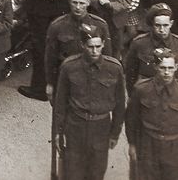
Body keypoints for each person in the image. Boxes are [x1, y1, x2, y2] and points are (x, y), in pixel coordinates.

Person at [52, 27, 126, 180]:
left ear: (104, 44)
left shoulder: (114, 68)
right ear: (82, 45)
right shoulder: (69, 66)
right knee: (72, 171)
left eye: (98, 46)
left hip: (101, 127)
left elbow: (120, 105)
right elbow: (60, 103)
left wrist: (115, 133)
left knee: (96, 172)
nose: (94, 51)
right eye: (90, 46)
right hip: (75, 125)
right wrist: (58, 133)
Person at [125, 48, 178, 180]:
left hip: (175, 148)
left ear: (176, 67)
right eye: (162, 68)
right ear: (155, 66)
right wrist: (132, 145)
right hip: (148, 147)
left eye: (170, 68)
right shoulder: (141, 89)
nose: (167, 72)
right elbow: (131, 120)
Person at [124, 3, 178, 93]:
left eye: (165, 25)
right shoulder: (139, 43)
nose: (162, 29)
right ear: (152, 25)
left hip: (174, 95)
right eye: (157, 25)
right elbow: (131, 75)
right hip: (147, 95)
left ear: (171, 23)